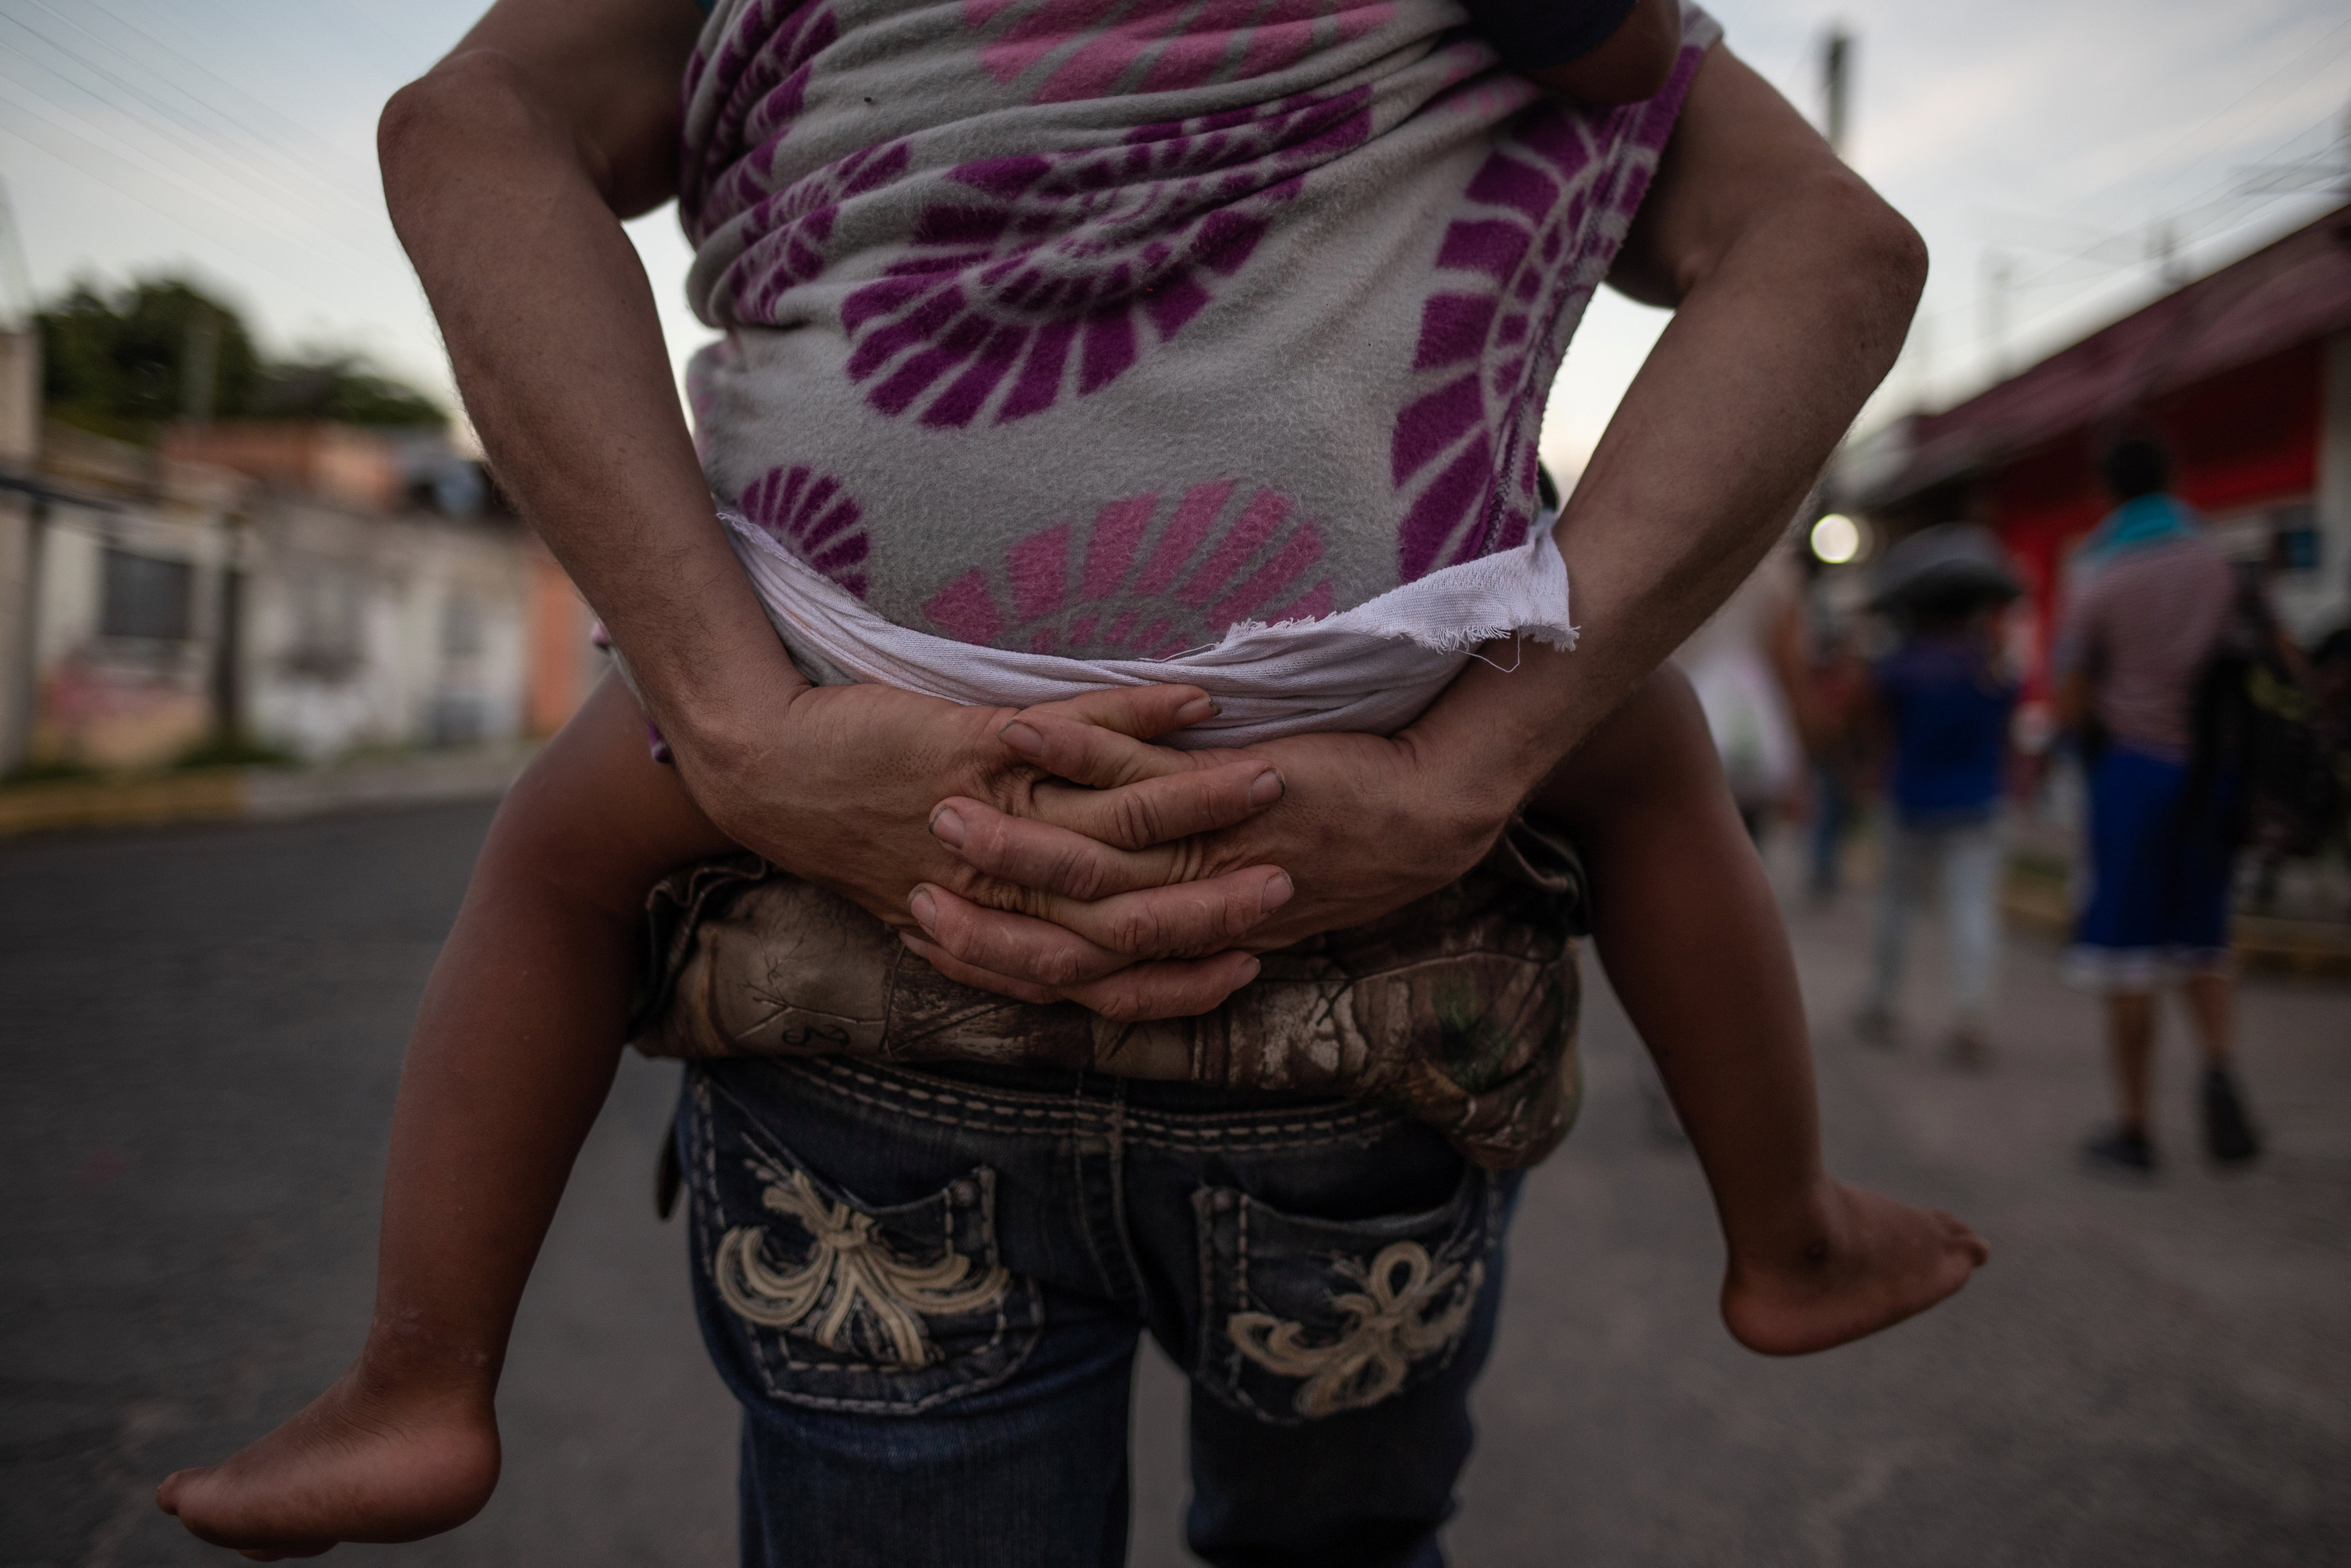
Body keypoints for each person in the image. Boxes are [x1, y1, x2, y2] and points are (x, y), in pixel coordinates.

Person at [158, 0, 1982, 1559]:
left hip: (841, 682)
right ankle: (1787, 1229)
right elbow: (1784, 196)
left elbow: (464, 128)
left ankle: (423, 1368)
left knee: (560, 855)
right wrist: (1466, 769)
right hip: (1390, 695)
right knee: (1642, 759)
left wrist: (736, 723)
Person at [2059, 436, 2261, 1174]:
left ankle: (2135, 1126)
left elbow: (2074, 696)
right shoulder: (2217, 565)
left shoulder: (2100, 576)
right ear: (2173, 479)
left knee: (2127, 956)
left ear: (2104, 491)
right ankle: (2216, 1067)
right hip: (2211, 777)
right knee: (2204, 940)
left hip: (2132, 777)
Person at [1851, 526, 2019, 1069]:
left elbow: (1875, 728)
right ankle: (1971, 1016)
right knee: (1972, 910)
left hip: (1909, 800)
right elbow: (2007, 724)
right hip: (1979, 803)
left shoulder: (1900, 665)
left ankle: (1883, 1002)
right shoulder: (1989, 665)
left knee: (1896, 907)